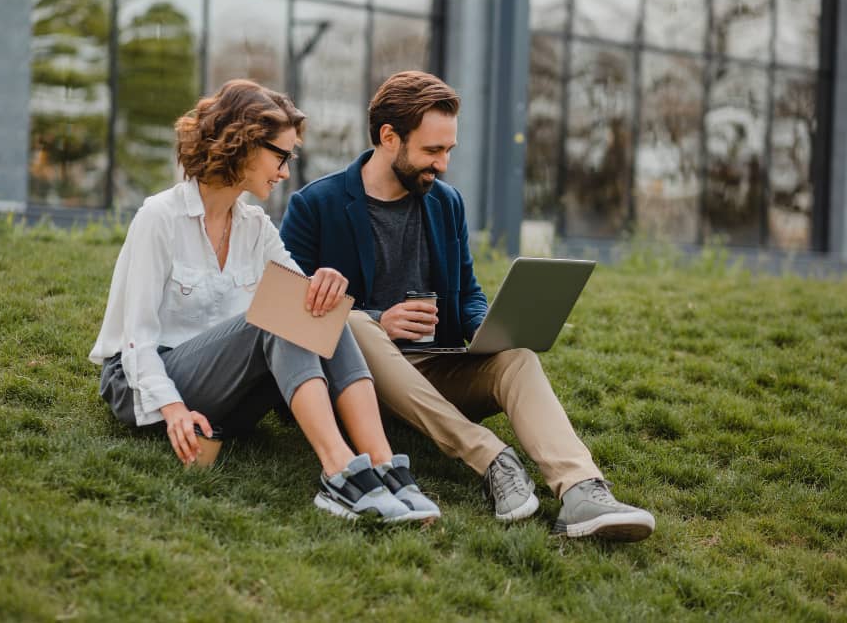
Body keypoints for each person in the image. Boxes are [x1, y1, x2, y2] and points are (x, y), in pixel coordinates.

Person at [280, 71, 655, 541]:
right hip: (363, 381)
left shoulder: (446, 203)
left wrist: (488, 327)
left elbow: (468, 291)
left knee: (516, 359)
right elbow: (287, 309)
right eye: (432, 151)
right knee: (353, 323)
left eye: (449, 150)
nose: (443, 163)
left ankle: (582, 490)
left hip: (438, 366)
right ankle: (491, 457)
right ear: (389, 137)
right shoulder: (316, 204)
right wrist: (380, 320)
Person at [88, 79, 439, 524]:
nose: (285, 172)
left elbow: (306, 302)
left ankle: (386, 468)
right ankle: (338, 473)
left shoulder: (255, 225)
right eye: (280, 156)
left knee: (320, 309)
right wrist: (172, 408)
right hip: (147, 379)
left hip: (224, 388)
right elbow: (135, 338)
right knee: (278, 315)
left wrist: (323, 283)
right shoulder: (160, 218)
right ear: (244, 146)